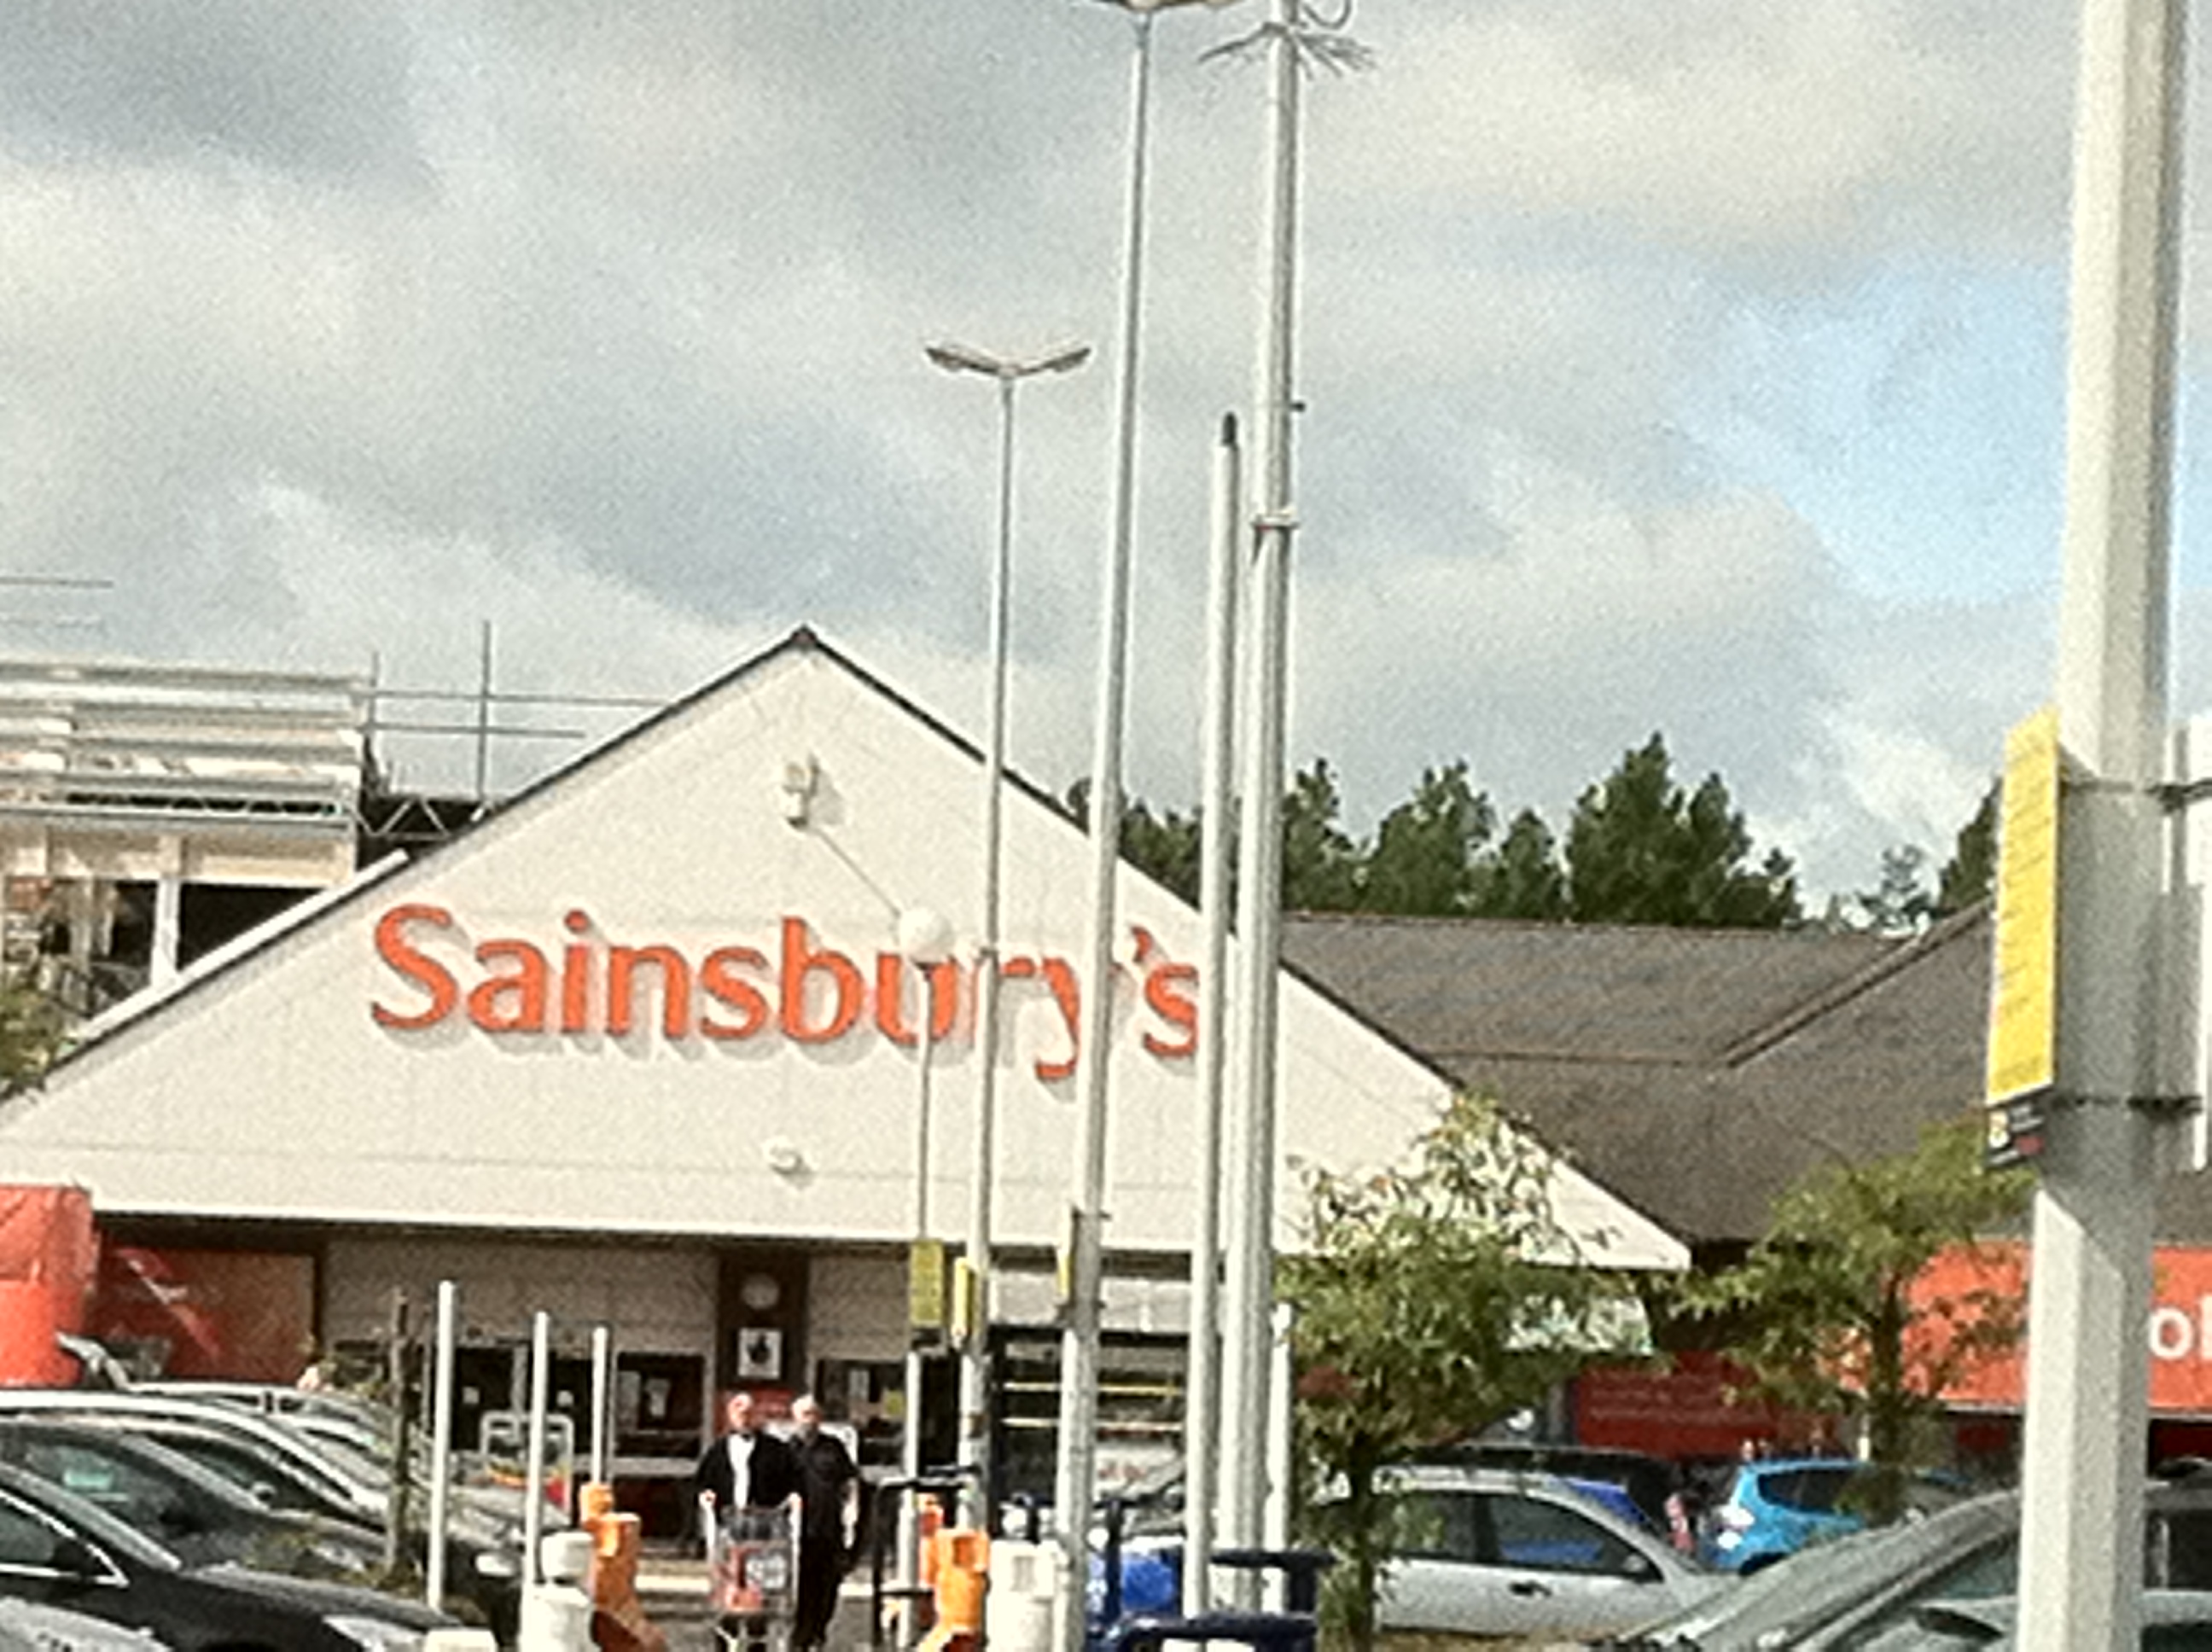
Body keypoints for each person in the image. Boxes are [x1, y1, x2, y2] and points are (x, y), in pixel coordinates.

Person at [788, 1393, 862, 1651]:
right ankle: (801, 1635)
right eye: (804, 1414)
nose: (810, 1420)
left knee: (828, 1585)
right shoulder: (787, 1450)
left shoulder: (834, 1447)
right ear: (794, 1417)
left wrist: (852, 1519)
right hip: (799, 1534)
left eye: (814, 1414)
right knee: (801, 1586)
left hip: (830, 1531)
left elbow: (849, 1484)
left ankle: (819, 1630)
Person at [696, 1390, 802, 1552]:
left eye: (748, 1413)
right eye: (738, 1413)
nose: (743, 1418)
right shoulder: (718, 1450)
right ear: (730, 1416)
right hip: (729, 1519)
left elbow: (794, 1479)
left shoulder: (776, 1449)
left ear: (756, 1415)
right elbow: (704, 1481)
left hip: (765, 1520)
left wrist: (792, 1497)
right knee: (730, 1569)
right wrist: (706, 1494)